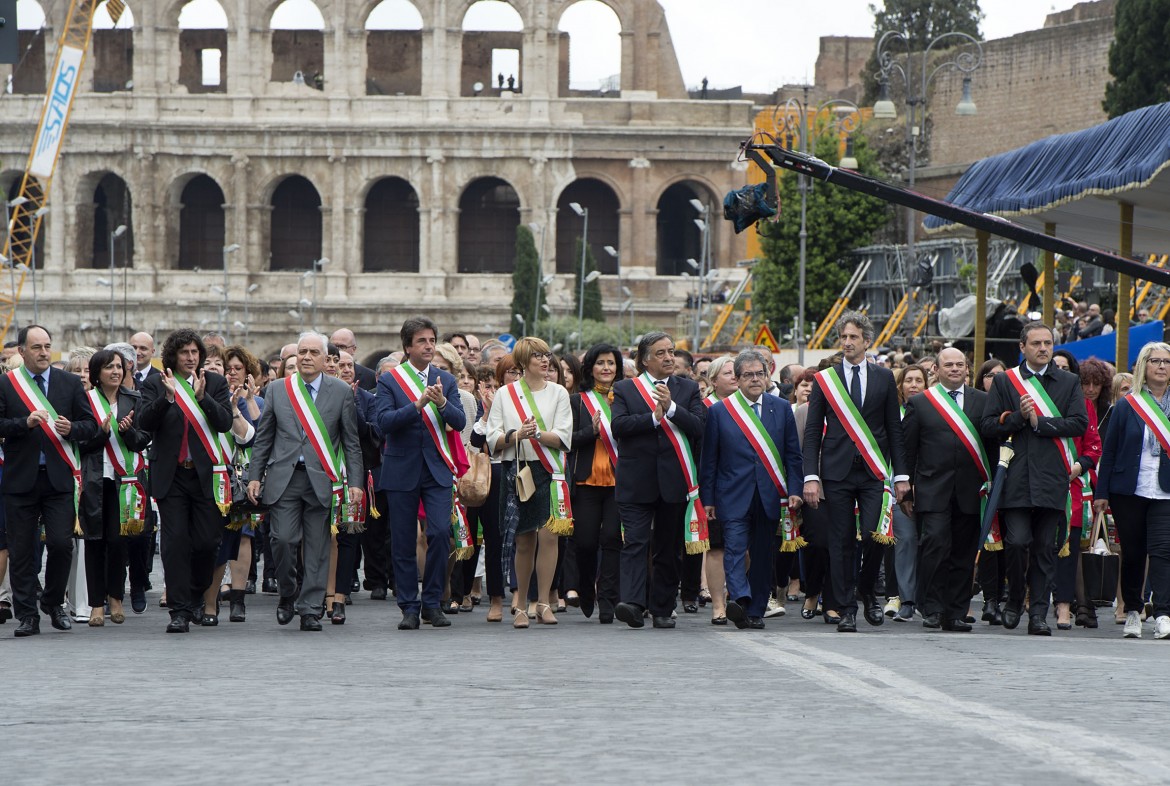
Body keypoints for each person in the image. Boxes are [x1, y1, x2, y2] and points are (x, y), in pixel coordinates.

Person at [802, 312, 909, 633]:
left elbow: (893, 428)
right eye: (843, 337)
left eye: (853, 337)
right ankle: (845, 606)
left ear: (867, 341)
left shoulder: (883, 378)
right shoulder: (826, 380)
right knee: (840, 541)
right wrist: (811, 475)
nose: (847, 342)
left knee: (877, 536)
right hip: (836, 471)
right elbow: (811, 432)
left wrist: (901, 474)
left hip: (874, 471)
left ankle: (866, 589)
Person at [247, 332, 363, 631]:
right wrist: (254, 476)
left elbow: (351, 442)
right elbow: (264, 438)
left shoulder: (340, 392)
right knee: (282, 540)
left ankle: (310, 608)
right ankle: (288, 593)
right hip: (284, 479)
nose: (307, 357)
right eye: (302, 351)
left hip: (322, 480)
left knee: (317, 547)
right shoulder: (278, 390)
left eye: (314, 352)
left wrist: (356, 482)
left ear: (327, 359)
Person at [981, 322, 1088, 636]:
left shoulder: (1068, 382)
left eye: (1048, 343)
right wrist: (1016, 417)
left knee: (1044, 548)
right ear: (1022, 347)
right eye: (1037, 343)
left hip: (1052, 477)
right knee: (1015, 543)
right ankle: (1015, 598)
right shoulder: (1005, 382)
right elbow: (988, 425)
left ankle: (1038, 614)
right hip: (1014, 476)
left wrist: (1038, 421)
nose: (1044, 348)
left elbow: (1079, 423)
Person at [0, 326, 99, 637]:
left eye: (47, 347)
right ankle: (27, 615)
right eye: (37, 347)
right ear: (22, 351)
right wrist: (23, 424)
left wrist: (72, 429)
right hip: (20, 480)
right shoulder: (6, 384)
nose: (44, 353)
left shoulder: (68, 384)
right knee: (22, 551)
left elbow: (91, 426)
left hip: (58, 479)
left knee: (60, 544)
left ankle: (53, 601)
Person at [138, 329, 235, 633]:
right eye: (185, 353)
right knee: (175, 542)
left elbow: (224, 422)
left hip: (205, 475)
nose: (191, 358)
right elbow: (144, 423)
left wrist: (204, 399)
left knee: (207, 543)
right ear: (173, 356)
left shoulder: (214, 383)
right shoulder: (156, 382)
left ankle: (195, 594)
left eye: (195, 353)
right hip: (172, 475)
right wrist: (167, 399)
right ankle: (179, 610)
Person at [700, 350, 803, 630]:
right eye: (748, 375)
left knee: (761, 555)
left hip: (770, 494)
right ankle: (741, 598)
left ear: (767, 376)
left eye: (760, 374)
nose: (755, 379)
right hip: (732, 494)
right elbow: (709, 459)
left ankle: (755, 610)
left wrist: (795, 489)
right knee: (733, 549)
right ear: (737, 378)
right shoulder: (720, 411)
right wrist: (707, 498)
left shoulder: (780, 408)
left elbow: (793, 454)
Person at [611, 332, 706, 629]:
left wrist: (672, 409)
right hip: (636, 481)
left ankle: (663, 607)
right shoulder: (626, 388)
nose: (668, 358)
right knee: (636, 542)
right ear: (645, 359)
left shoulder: (687, 388)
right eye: (661, 352)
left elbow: (699, 426)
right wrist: (653, 418)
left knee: (668, 546)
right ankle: (634, 605)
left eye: (671, 352)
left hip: (674, 480)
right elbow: (619, 427)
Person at [376, 316, 466, 630]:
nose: (428, 346)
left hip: (437, 469)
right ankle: (409, 608)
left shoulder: (446, 380)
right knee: (402, 541)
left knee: (441, 533)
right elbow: (383, 423)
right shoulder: (391, 380)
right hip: (401, 469)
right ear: (407, 347)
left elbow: (460, 421)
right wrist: (416, 405)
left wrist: (441, 403)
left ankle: (432, 603)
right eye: (422, 341)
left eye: (431, 340)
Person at [902, 348, 995, 632]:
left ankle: (954, 613)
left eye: (960, 364)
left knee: (964, 553)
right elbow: (907, 449)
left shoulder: (983, 401)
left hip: (971, 490)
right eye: (948, 365)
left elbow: (991, 444)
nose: (955, 369)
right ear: (937, 370)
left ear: (967, 369)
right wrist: (905, 486)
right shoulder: (921, 403)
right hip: (932, 488)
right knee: (935, 545)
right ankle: (931, 606)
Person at [486, 337, 573, 628]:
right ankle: (521, 603)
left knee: (550, 536)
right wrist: (517, 435)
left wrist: (536, 435)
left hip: (550, 470)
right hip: (518, 470)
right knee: (524, 540)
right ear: (524, 362)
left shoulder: (559, 392)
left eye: (546, 354)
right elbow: (492, 438)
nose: (545, 360)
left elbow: (563, 437)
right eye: (537, 356)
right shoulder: (505, 394)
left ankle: (544, 602)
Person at [1095, 342, 1170, 640]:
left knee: (1164, 552)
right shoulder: (1127, 404)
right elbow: (1109, 451)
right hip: (1130, 489)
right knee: (1134, 553)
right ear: (1143, 366)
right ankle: (1133, 612)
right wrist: (1101, 493)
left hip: (1165, 491)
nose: (1162, 366)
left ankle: (1164, 612)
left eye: (1166, 361)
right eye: (1155, 361)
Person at [78, 349, 151, 627]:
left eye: (119, 367)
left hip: (126, 483)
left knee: (119, 541)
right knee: (95, 541)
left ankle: (116, 598)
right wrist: (102, 433)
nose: (116, 372)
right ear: (97, 372)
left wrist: (127, 432)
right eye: (109, 367)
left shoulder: (134, 399)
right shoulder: (85, 401)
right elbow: (79, 441)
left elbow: (143, 439)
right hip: (95, 480)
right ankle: (96, 604)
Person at [569, 343, 625, 623]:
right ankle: (585, 588)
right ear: (590, 368)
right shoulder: (577, 401)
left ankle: (608, 598)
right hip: (586, 482)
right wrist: (590, 432)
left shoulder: (627, 398)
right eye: (601, 363)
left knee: (613, 539)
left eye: (611, 363)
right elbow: (567, 440)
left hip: (619, 482)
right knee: (586, 543)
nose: (606, 368)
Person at [883, 363, 927, 622]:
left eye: (918, 380)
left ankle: (927, 598)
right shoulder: (891, 415)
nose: (913, 385)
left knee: (932, 543)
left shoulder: (935, 408)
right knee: (906, 542)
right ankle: (907, 599)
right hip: (898, 489)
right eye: (908, 380)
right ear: (900, 387)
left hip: (931, 487)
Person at [698, 355, 737, 623]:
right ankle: (718, 606)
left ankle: (736, 593)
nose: (735, 377)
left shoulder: (749, 407)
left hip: (743, 486)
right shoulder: (704, 409)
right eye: (728, 373)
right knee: (716, 548)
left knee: (743, 549)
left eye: (738, 372)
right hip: (714, 486)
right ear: (713, 380)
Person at [974, 358, 1008, 624]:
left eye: (1000, 374)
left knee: (1009, 543)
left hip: (1010, 481)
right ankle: (990, 600)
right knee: (988, 544)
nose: (995, 379)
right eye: (989, 375)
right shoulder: (974, 404)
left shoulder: (1012, 404)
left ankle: (1004, 596)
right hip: (981, 482)